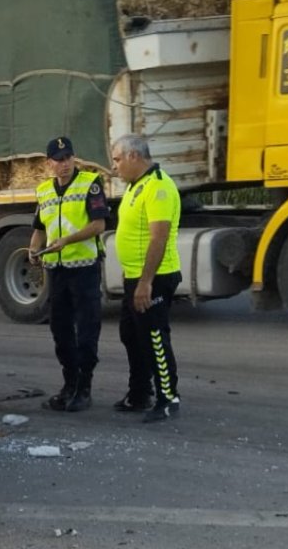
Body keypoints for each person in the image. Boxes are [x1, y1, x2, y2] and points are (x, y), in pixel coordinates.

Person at [29, 136, 108, 412]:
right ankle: (69, 384)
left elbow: (98, 225)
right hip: (57, 271)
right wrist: (33, 248)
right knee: (60, 331)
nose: (65, 165)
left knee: (87, 332)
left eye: (68, 158)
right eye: (59, 160)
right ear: (48, 163)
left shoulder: (90, 183)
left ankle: (84, 389)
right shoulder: (44, 191)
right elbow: (40, 225)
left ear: (74, 158)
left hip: (84, 269)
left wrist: (68, 241)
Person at [111, 134, 183, 423]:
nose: (114, 166)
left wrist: (145, 282)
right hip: (135, 276)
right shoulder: (135, 186)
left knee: (154, 337)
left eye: (117, 159)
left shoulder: (159, 187)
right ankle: (140, 393)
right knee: (131, 335)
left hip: (154, 277)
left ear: (133, 156)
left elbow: (159, 237)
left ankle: (168, 397)